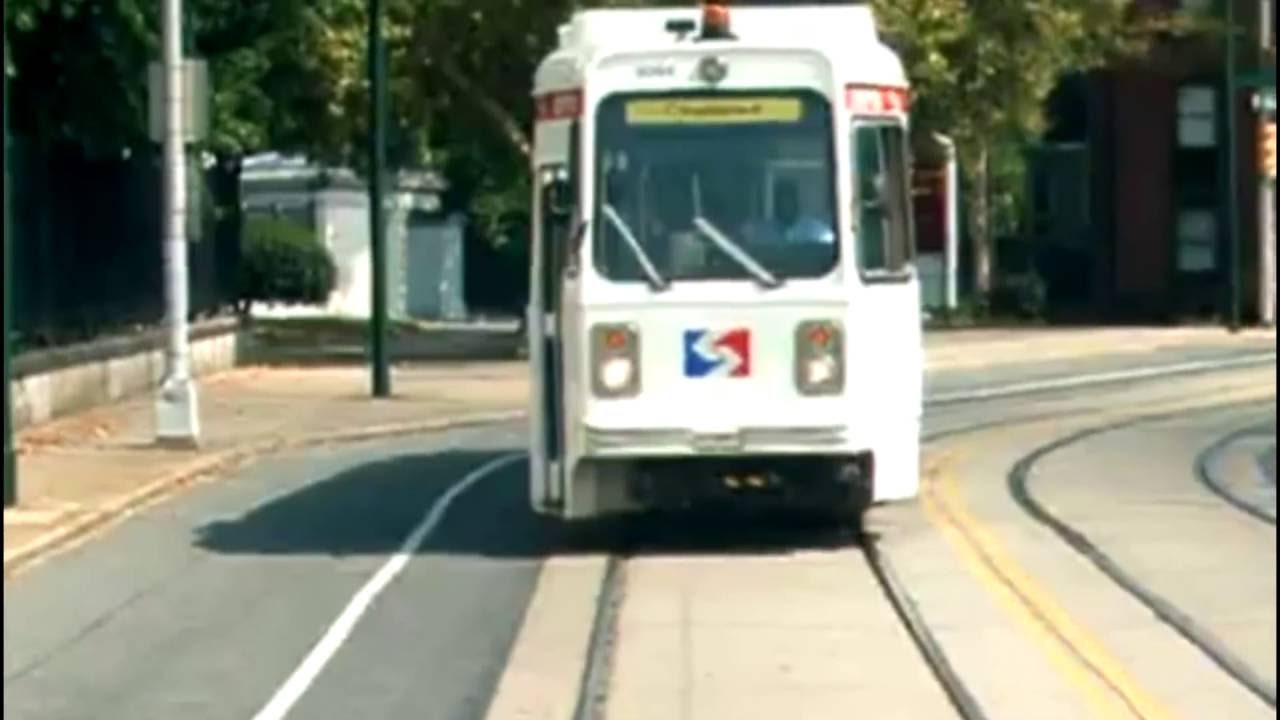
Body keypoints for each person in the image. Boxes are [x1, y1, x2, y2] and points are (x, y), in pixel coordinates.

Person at [771, 180, 835, 245]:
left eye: (788, 201)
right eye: (781, 202)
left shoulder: (811, 227)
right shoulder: (769, 230)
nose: (785, 206)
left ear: (795, 202)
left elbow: (829, 239)